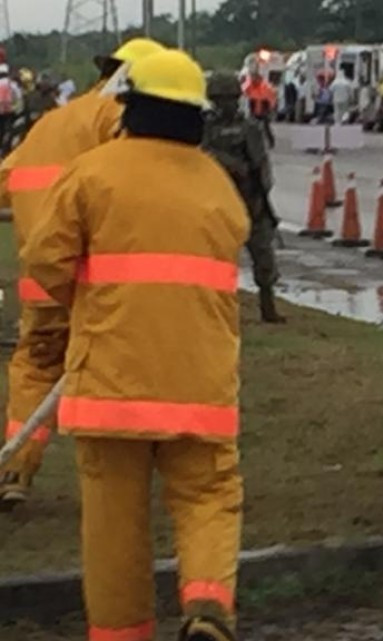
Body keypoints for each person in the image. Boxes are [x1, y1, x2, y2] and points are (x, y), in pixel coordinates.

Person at [23, 49, 248, 641]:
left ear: (130, 106)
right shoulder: (218, 185)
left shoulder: (91, 173)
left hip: (109, 384)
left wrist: (90, 306)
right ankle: (208, 605)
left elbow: (44, 258)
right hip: (200, 386)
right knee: (208, 497)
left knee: (113, 528)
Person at [0, 38, 166, 510]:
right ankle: (122, 480)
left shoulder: (50, 125)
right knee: (122, 374)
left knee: (36, 367)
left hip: (43, 284)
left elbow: (5, 183)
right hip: (103, 283)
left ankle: (15, 469)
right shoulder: (121, 119)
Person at [204, 71, 285, 324]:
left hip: (249, 199)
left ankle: (268, 306)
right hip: (217, 200)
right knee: (216, 258)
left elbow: (260, 166)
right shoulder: (204, 128)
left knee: (263, 255)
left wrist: (261, 193)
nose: (224, 105)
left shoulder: (249, 128)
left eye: (228, 99)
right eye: (219, 99)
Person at [243, 69, 277, 148]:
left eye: (254, 78)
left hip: (263, 110)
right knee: (252, 128)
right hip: (254, 109)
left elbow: (271, 99)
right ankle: (254, 143)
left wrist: (271, 110)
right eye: (252, 78)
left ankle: (271, 142)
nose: (253, 80)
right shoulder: (250, 86)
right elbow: (245, 92)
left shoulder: (265, 86)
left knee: (266, 127)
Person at [0, 64, 23, 152]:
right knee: (9, 130)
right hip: (10, 111)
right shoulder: (12, 84)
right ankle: (6, 147)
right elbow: (19, 97)